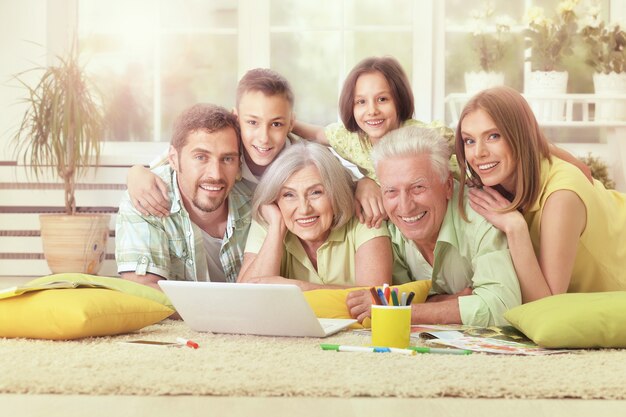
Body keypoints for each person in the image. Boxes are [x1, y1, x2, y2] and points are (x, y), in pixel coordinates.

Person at [294, 56, 592, 228]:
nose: (371, 110)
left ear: (399, 101)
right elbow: (315, 133)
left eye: (382, 99)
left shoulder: (422, 135)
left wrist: (574, 164)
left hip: (465, 193)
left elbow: (473, 140)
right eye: (361, 102)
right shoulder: (350, 139)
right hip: (419, 207)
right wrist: (278, 121)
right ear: (350, 105)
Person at [456, 86, 626, 303]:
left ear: (520, 136)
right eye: (469, 140)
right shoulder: (497, 181)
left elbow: (546, 306)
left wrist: (515, 227)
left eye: (493, 136)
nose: (478, 152)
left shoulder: (561, 197)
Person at [346, 125, 521, 326]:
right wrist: (444, 302)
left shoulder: (482, 217)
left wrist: (401, 311)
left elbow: (502, 307)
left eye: (418, 187)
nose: (405, 206)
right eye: (391, 191)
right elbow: (390, 292)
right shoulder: (384, 224)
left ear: (447, 186)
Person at [115, 103, 253, 290]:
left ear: (239, 163)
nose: (216, 174)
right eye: (201, 157)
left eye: (227, 159)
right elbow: (143, 289)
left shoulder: (254, 203)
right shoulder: (145, 198)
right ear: (173, 158)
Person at [127, 68, 298, 217]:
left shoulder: (302, 158)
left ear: (291, 123)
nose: (264, 138)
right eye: (253, 122)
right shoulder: (227, 144)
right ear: (237, 118)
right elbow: (177, 155)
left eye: (276, 124)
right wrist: (135, 173)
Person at [237, 141, 393, 290]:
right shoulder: (271, 220)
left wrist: (299, 289)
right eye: (289, 195)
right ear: (276, 199)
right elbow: (247, 300)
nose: (304, 209)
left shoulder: (364, 215)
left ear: (336, 192)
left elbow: (375, 299)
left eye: (316, 192)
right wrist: (276, 228)